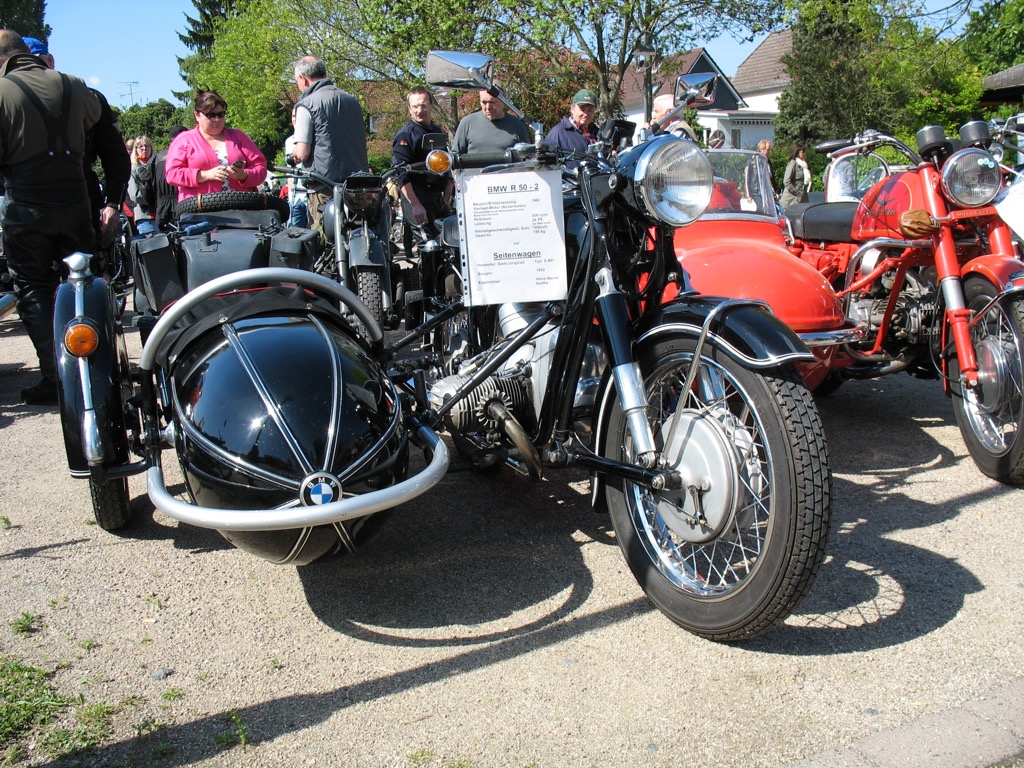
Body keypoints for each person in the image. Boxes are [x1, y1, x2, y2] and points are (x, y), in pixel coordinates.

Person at [0, 30, 102, 405]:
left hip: (27, 206)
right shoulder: (73, 83)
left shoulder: (2, 91)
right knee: (81, 282)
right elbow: (95, 117)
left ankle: (56, 376)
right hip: (75, 201)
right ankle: (95, 367)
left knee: (31, 286)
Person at [22, 35, 129, 250]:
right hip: (27, 201)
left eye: (36, 63)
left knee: (85, 270)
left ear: (50, 61)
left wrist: (112, 203)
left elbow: (115, 155)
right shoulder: (10, 97)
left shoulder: (85, 97)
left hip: (79, 197)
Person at [290, 56, 368, 230]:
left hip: (324, 187)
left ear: (303, 79)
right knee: (356, 235)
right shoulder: (351, 101)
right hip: (356, 186)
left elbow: (301, 152)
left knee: (324, 241)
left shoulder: (306, 104)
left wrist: (292, 156)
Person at [164, 90, 267, 201]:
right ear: (197, 115)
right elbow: (172, 174)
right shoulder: (184, 140)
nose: (217, 119)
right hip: (199, 211)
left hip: (240, 208)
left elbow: (260, 167)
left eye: (221, 114)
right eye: (211, 115)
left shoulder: (239, 137)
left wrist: (243, 175)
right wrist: (204, 175)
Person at [391, 86, 451, 252]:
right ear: (409, 108)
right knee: (428, 247)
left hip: (437, 196)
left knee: (451, 239)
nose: (420, 110)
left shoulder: (437, 131)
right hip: (416, 195)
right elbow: (400, 173)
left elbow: (445, 159)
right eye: (415, 106)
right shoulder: (405, 135)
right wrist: (415, 204)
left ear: (432, 106)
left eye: (424, 105)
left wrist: (450, 181)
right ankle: (427, 278)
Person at [452, 90, 531, 155]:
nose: (488, 107)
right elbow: (455, 156)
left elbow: (527, 158)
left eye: (492, 102)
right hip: (474, 174)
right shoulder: (467, 123)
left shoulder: (517, 125)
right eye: (484, 102)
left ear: (504, 100)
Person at [544, 89, 599, 154]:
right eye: (582, 109)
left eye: (590, 110)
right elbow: (548, 162)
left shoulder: (599, 134)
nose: (586, 114)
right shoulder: (557, 134)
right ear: (572, 109)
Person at [153, 125, 186, 230]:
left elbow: (147, 187)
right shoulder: (188, 156)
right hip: (183, 207)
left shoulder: (157, 158)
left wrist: (154, 207)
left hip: (162, 209)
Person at [283, 105, 308, 228]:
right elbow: (289, 170)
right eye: (293, 116)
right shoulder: (288, 141)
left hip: (309, 193)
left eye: (298, 116)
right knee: (293, 230)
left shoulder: (312, 140)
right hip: (295, 195)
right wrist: (289, 193)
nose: (295, 119)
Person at [128, 136, 157, 236]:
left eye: (147, 145)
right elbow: (135, 196)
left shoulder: (158, 166)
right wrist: (154, 199)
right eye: (140, 146)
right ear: (135, 150)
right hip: (145, 217)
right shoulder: (133, 169)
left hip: (162, 216)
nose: (144, 148)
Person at [744, 139, 779, 205]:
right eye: (767, 149)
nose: (768, 152)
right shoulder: (752, 161)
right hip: (756, 191)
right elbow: (747, 178)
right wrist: (748, 195)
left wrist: (776, 191)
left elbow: (771, 177)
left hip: (767, 191)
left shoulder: (768, 162)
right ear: (762, 149)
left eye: (769, 149)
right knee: (761, 208)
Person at [781, 143, 811, 210]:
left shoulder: (804, 165)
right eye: (803, 152)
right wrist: (796, 191)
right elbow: (786, 181)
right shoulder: (793, 164)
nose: (805, 153)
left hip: (802, 198)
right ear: (797, 152)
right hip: (791, 200)